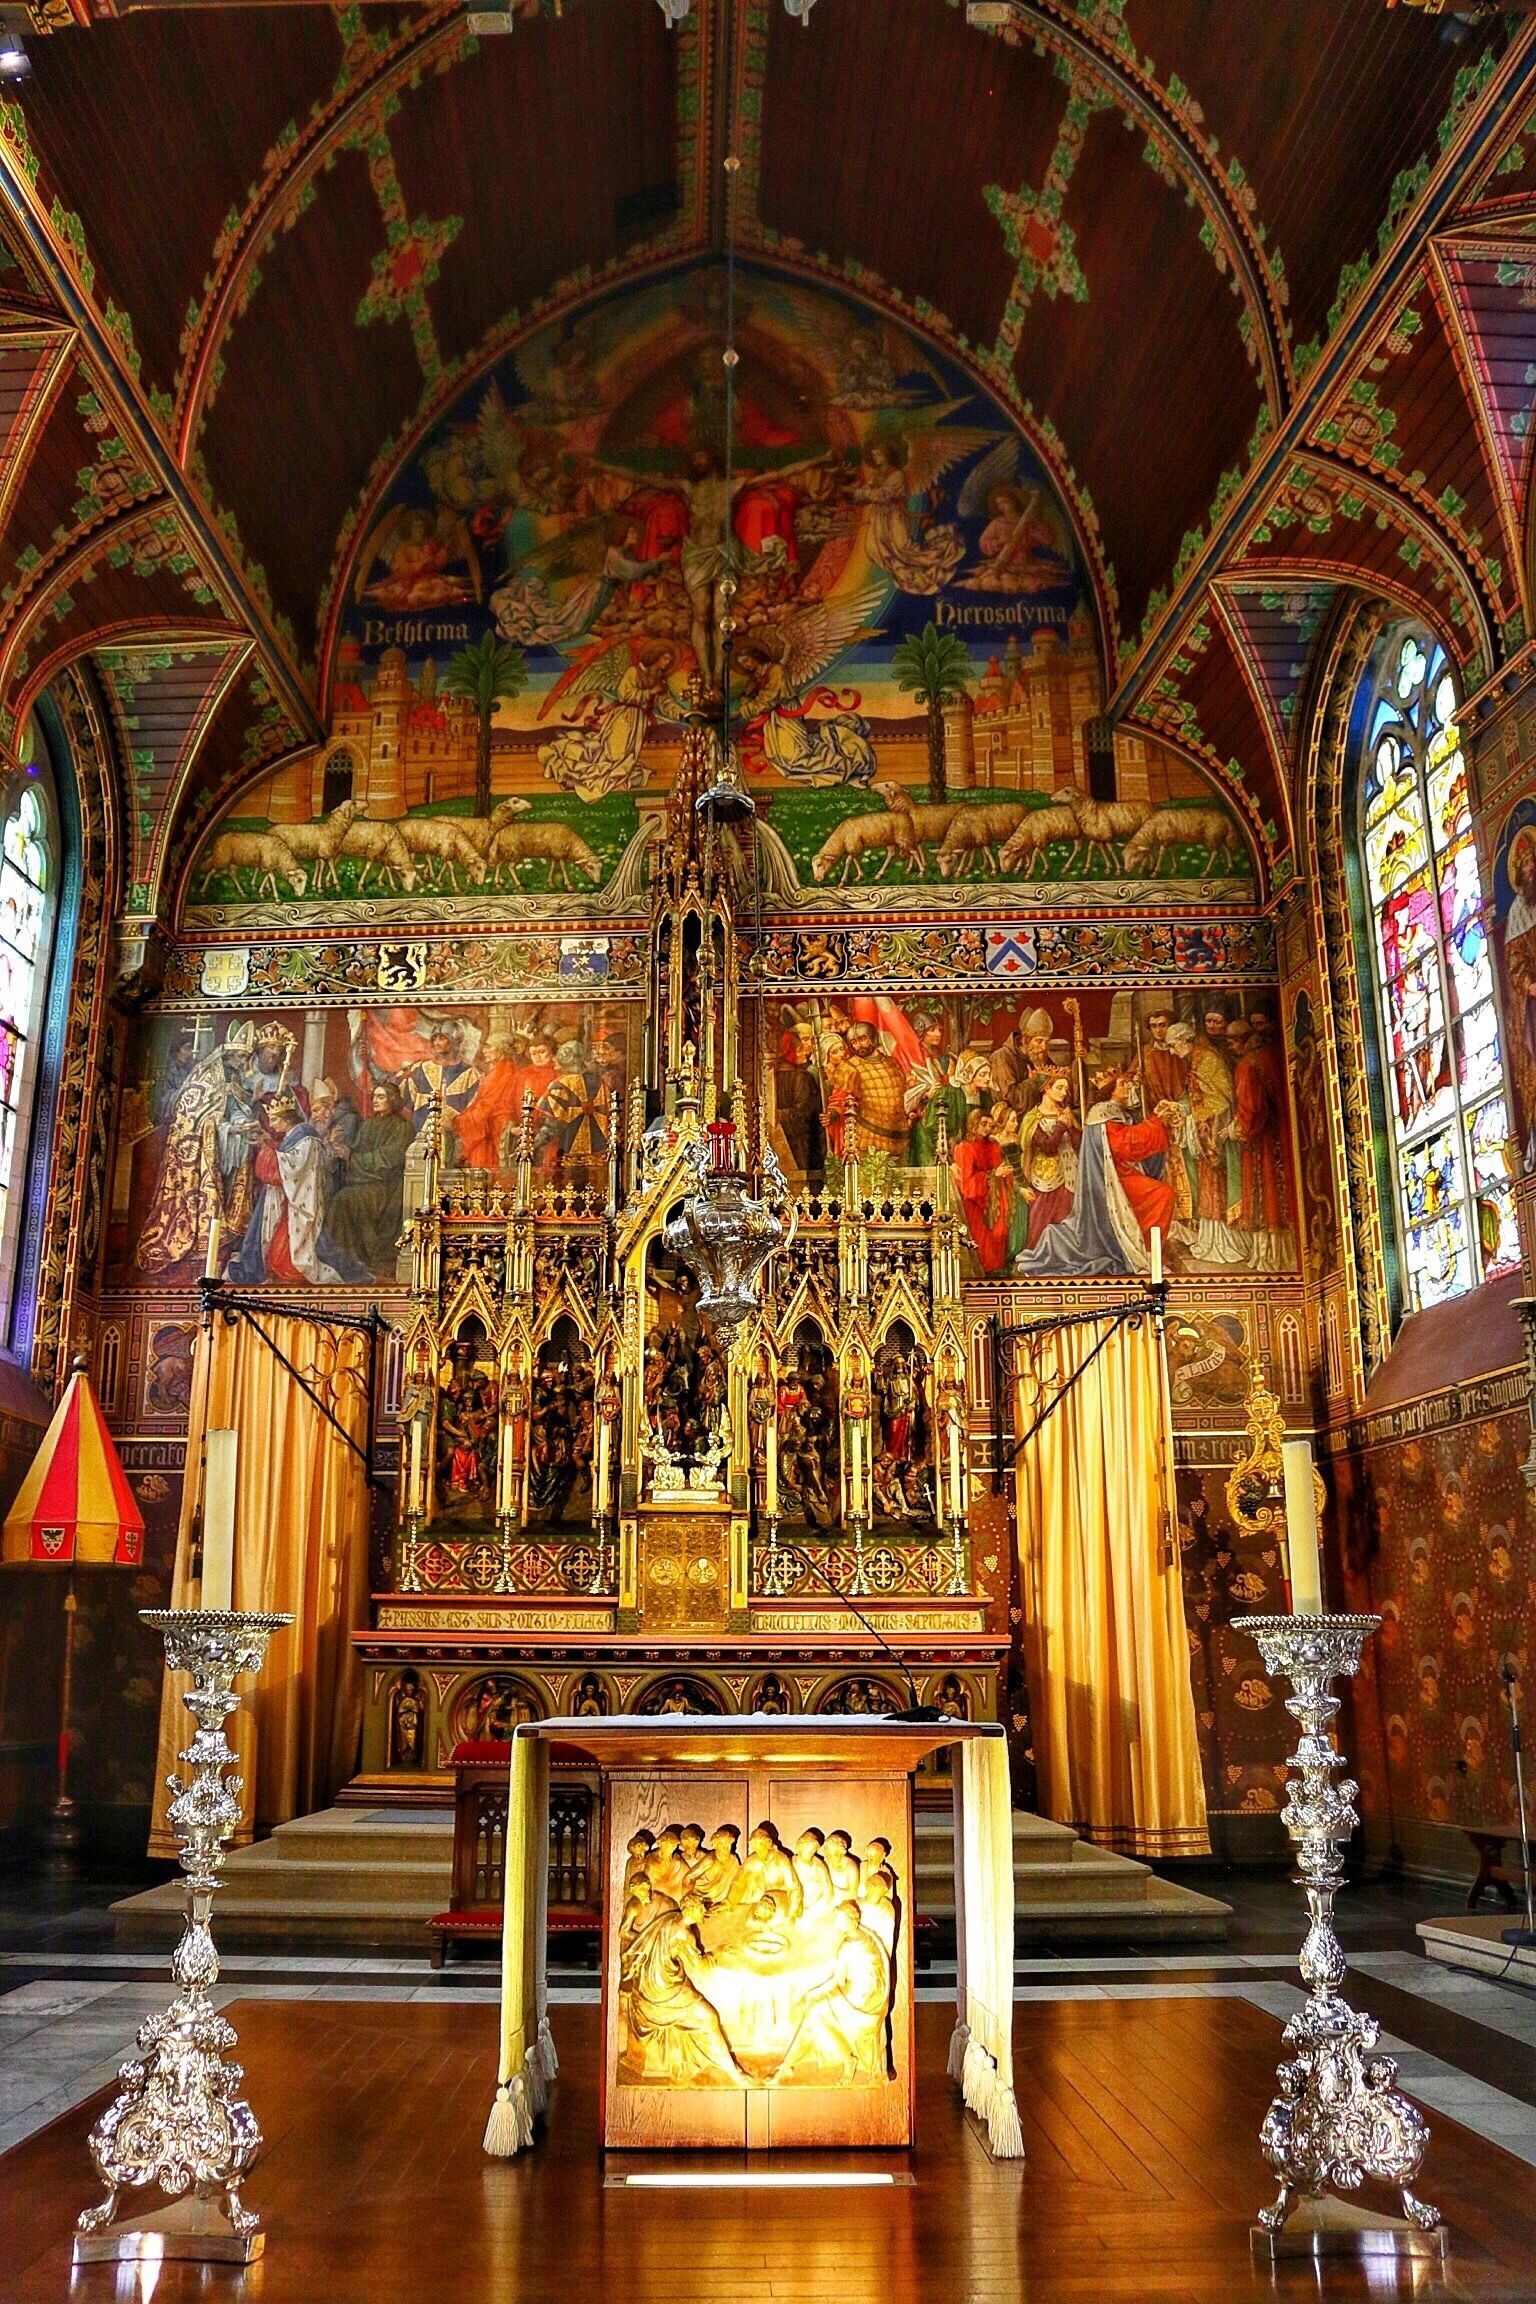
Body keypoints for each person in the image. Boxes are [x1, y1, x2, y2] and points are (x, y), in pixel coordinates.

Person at [228, 1093, 371, 1285]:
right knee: (271, 1238)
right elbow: (286, 1155)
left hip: (297, 1201)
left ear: (288, 1119)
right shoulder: (294, 1135)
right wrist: (269, 1142)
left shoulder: (306, 1136)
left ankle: (293, 1272)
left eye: (275, 1119)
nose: (272, 1124)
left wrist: (266, 1148)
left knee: (293, 1247)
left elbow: (293, 1166)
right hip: (286, 1198)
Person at [325, 1082, 411, 1276]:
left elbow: (389, 1159)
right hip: (366, 1180)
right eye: (374, 1097)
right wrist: (340, 1148)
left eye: (381, 1097)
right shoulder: (369, 1124)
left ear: (393, 1100)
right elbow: (357, 1149)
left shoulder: (402, 1127)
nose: (375, 1101)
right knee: (338, 1196)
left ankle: (351, 1258)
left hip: (387, 1186)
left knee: (346, 1199)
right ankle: (344, 1257)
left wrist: (352, 1158)